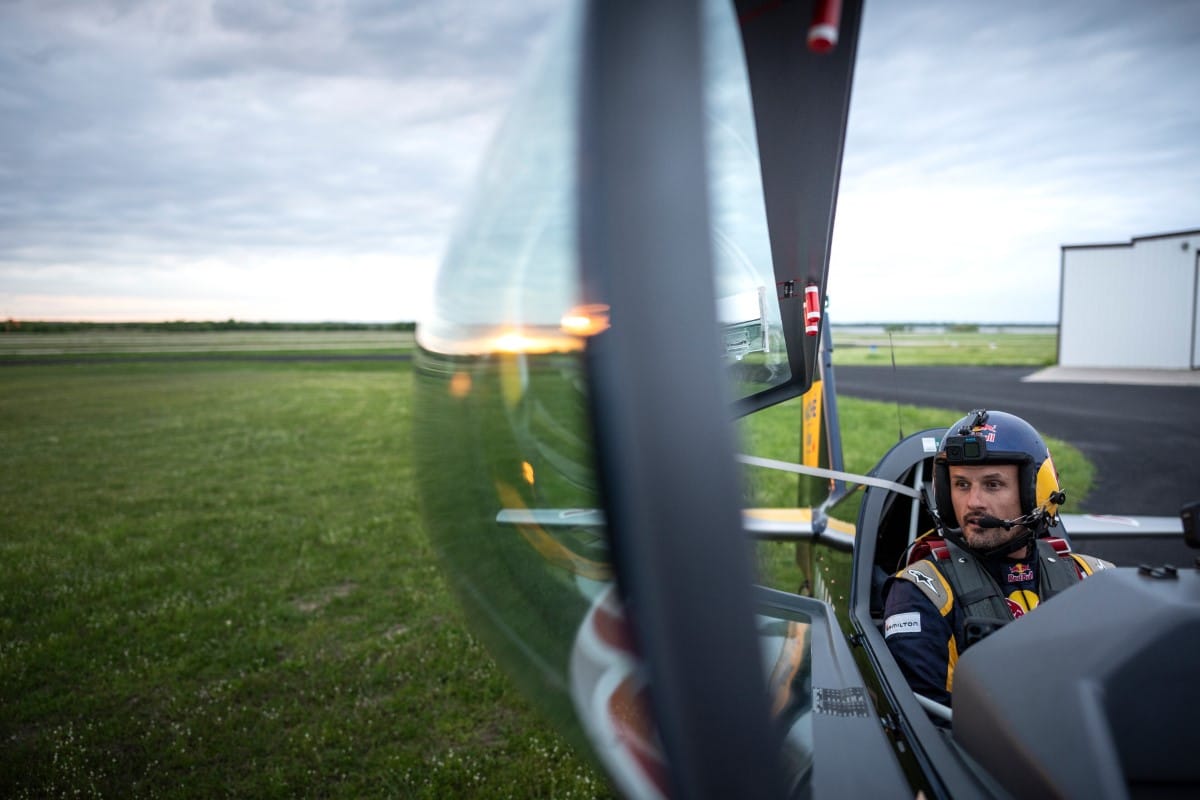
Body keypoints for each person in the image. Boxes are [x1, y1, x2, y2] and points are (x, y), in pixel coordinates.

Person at [882, 409, 1112, 706]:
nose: (973, 503)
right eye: (961, 484)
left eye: (992, 485)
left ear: (1036, 492)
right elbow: (933, 729)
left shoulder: (1094, 579)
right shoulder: (921, 595)